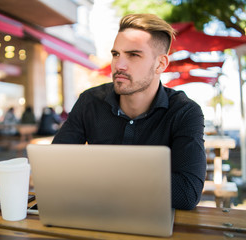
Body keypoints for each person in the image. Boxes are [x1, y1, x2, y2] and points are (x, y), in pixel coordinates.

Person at [52, 13, 206, 210]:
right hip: (96, 213)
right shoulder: (90, 101)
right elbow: (56, 165)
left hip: (152, 220)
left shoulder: (184, 112)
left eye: (133, 55)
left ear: (160, 64)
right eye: (116, 54)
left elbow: (186, 193)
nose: (119, 65)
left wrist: (99, 172)